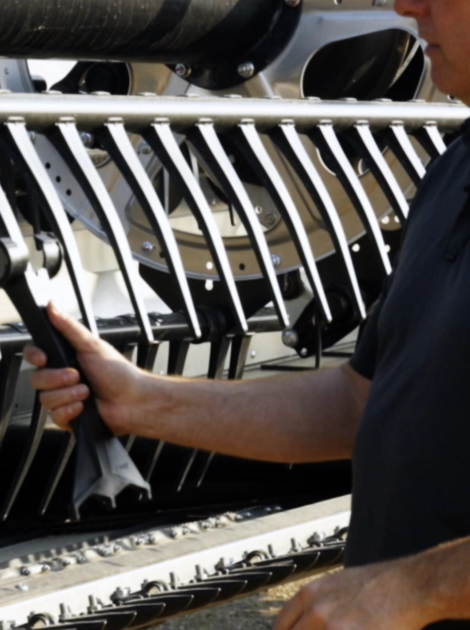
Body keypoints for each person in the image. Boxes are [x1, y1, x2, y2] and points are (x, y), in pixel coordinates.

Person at [24, 0, 470, 628]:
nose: (406, 6)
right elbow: (360, 403)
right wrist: (141, 400)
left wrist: (416, 589)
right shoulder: (452, 170)